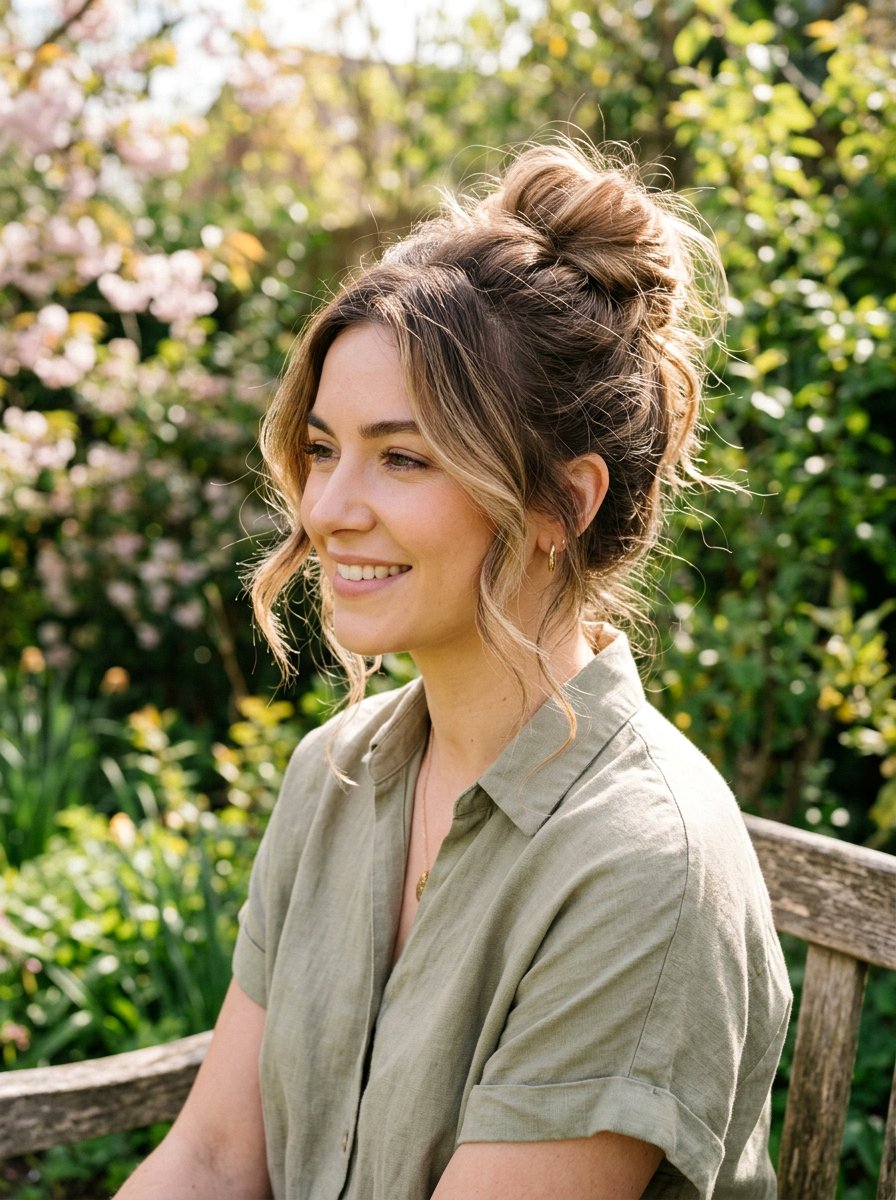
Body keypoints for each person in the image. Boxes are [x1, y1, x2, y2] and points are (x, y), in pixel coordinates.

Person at [115, 138, 791, 1200]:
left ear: (561, 504)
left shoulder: (640, 868)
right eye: (323, 449)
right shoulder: (335, 774)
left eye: (402, 457)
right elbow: (212, 1158)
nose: (327, 508)